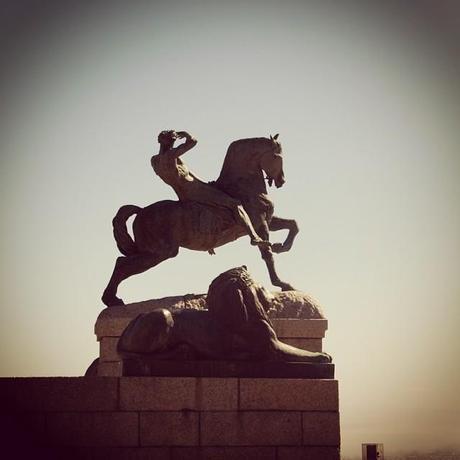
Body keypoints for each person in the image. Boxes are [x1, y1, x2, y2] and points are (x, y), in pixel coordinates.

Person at [151, 130, 269, 248]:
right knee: (235, 204)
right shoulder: (171, 155)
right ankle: (254, 237)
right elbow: (193, 142)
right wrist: (185, 134)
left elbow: (186, 174)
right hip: (195, 190)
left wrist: (206, 185)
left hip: (182, 194)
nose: (173, 143)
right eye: (173, 140)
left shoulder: (155, 161)